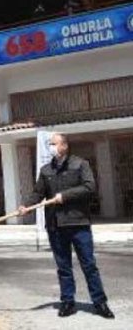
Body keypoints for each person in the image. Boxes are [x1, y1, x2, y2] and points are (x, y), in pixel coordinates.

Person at [19, 133, 114, 319]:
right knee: (63, 267)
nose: (51, 147)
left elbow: (89, 187)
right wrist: (26, 206)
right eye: (49, 144)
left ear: (64, 146)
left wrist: (65, 195)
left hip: (79, 223)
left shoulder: (80, 164)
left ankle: (100, 302)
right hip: (56, 225)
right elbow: (38, 193)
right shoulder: (46, 170)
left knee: (89, 265)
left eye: (53, 144)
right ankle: (68, 302)